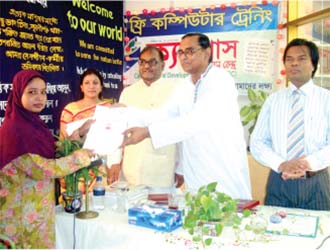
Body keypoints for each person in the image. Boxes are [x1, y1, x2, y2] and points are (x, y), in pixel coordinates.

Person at [122, 33, 251, 199]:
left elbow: (194, 122)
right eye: (181, 53)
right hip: (196, 171)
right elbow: (163, 115)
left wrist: (147, 132)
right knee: (197, 217)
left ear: (207, 52)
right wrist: (125, 112)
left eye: (190, 51)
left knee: (227, 218)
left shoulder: (220, 80)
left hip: (222, 168)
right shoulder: (184, 86)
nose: (184, 57)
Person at [0, 69, 94, 248]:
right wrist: (82, 156)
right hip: (20, 216)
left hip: (37, 211)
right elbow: (44, 168)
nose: (39, 97)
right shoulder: (15, 129)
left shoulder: (34, 124)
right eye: (32, 92)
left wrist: (77, 135)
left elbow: (51, 152)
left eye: (43, 92)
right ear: (18, 93)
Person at [250, 38, 330, 210]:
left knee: (321, 235)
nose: (294, 63)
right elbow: (257, 142)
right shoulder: (273, 100)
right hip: (279, 183)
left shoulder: (326, 99)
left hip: (316, 183)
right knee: (275, 235)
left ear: (313, 64)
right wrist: (282, 164)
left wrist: (308, 163)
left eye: (301, 58)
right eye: (289, 59)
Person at [119, 46, 183, 190]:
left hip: (162, 169)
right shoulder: (128, 92)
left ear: (163, 65)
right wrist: (114, 162)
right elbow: (119, 128)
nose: (147, 66)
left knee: (161, 210)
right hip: (131, 167)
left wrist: (181, 168)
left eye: (153, 62)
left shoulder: (176, 90)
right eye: (142, 62)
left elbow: (181, 132)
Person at [59, 68, 120, 186]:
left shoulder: (109, 109)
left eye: (95, 83)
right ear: (81, 87)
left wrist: (114, 163)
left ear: (101, 87)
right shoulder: (70, 109)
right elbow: (63, 141)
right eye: (87, 83)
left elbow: (116, 140)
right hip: (77, 164)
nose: (91, 86)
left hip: (101, 165)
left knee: (100, 200)